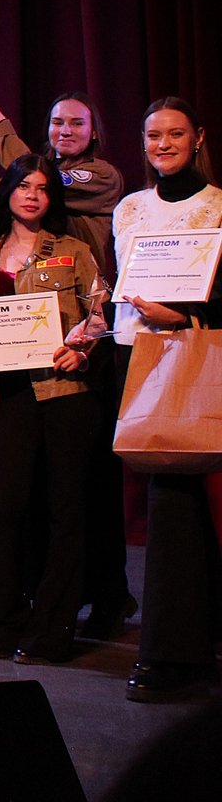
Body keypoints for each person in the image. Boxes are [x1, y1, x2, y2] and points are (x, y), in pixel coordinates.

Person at [0, 154, 107, 665]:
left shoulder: (74, 251)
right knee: (6, 511)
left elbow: (101, 314)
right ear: (8, 194)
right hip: (9, 396)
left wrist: (85, 347)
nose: (33, 195)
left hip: (65, 394)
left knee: (65, 512)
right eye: (23, 186)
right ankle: (5, 619)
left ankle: (53, 631)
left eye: (41, 188)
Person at [115, 98, 222, 702]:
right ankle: (185, 645)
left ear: (198, 137)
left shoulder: (219, 206)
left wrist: (183, 314)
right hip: (138, 358)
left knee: (179, 502)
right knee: (173, 502)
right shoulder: (129, 208)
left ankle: (172, 654)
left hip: (198, 355)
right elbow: (122, 290)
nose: (164, 144)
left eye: (176, 133)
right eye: (154, 134)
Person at [0, 91, 123, 279]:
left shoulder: (103, 176)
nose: (66, 131)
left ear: (94, 132)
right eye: (57, 123)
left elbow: (38, 176)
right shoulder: (40, 173)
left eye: (77, 123)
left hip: (72, 283)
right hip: (25, 278)